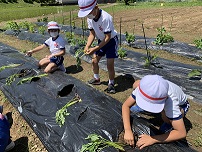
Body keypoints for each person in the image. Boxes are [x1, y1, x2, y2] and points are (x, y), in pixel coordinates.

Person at [122, 75, 190, 149]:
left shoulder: (171, 102)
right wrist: (127, 130)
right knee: (133, 107)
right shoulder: (143, 87)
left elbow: (181, 133)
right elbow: (126, 106)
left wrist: (153, 139)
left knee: (164, 123)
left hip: (182, 105)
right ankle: (147, 109)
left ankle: (169, 122)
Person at [77, 0, 119, 94]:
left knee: (109, 65)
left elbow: (108, 37)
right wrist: (87, 46)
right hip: (101, 41)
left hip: (111, 41)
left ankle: (111, 83)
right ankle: (96, 79)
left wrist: (95, 48)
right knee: (94, 61)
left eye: (89, 12)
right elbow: (92, 34)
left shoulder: (105, 18)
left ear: (96, 7)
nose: (88, 15)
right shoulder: (90, 18)